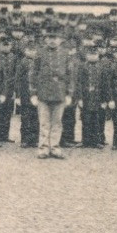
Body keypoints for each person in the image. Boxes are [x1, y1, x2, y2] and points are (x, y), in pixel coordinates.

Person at [29, 28, 75, 159]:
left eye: (55, 38)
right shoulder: (39, 53)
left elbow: (70, 75)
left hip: (60, 93)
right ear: (45, 39)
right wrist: (33, 93)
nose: (52, 40)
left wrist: (69, 94)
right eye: (49, 38)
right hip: (43, 94)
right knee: (44, 123)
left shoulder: (66, 55)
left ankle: (55, 147)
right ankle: (43, 148)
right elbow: (33, 73)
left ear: (60, 39)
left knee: (57, 122)